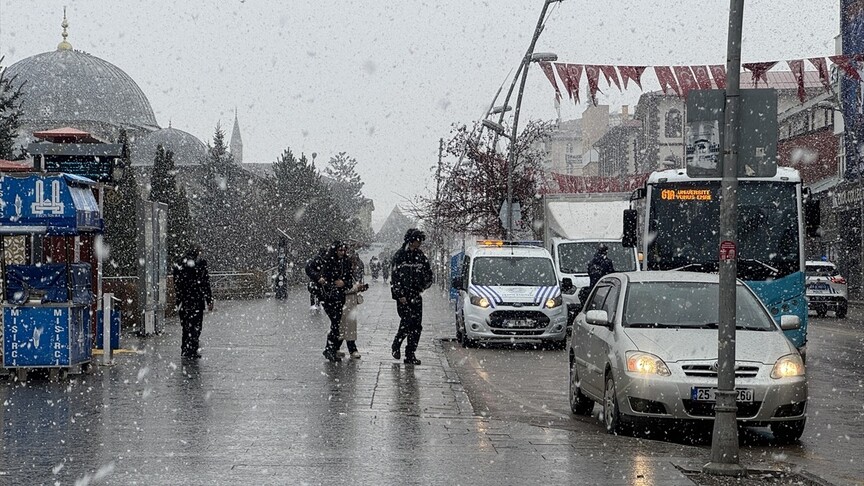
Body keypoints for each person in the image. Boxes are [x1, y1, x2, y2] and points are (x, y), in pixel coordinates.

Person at [390, 228, 433, 365]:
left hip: (416, 294)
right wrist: (399, 294)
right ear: (410, 240)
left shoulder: (420, 256)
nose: (419, 244)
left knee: (416, 326)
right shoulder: (400, 255)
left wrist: (424, 286)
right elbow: (395, 277)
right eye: (417, 241)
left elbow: (428, 274)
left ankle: (410, 353)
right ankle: (396, 344)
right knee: (406, 322)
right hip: (403, 296)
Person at [312, 241, 354, 362]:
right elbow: (314, 272)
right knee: (336, 322)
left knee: (338, 324)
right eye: (340, 250)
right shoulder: (327, 261)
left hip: (340, 297)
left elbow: (349, 279)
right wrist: (322, 280)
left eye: (344, 250)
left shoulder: (346, 263)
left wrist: (344, 283)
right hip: (328, 297)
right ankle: (330, 349)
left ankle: (331, 348)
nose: (343, 252)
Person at [172, 245, 214, 359]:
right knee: (196, 325)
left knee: (185, 325)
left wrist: (180, 297)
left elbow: (176, 282)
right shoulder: (200, 263)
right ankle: (192, 349)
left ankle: (185, 348)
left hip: (183, 300)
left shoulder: (179, 263)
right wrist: (209, 299)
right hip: (196, 299)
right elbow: (205, 282)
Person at [338, 248, 369, 358]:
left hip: (351, 302)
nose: (355, 266)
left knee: (350, 326)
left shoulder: (351, 273)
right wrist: (356, 287)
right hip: (343, 301)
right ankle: (337, 347)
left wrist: (359, 288)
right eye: (353, 263)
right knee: (341, 325)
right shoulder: (341, 272)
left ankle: (349, 348)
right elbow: (342, 288)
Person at [579, 244, 616, 308]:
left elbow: (590, 272)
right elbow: (611, 273)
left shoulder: (593, 262)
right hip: (603, 288)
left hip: (594, 288)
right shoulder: (606, 262)